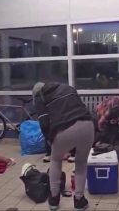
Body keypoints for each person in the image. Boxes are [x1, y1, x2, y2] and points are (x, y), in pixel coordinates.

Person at [32, 82, 94, 211]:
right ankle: (79, 200)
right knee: (81, 162)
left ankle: (54, 199)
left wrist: (50, 140)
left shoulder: (40, 96)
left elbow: (44, 123)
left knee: (56, 159)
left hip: (64, 129)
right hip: (87, 125)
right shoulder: (68, 88)